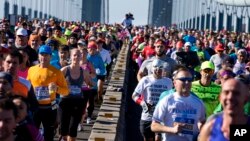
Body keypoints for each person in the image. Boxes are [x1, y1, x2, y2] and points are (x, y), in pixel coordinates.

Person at [27, 45, 69, 141]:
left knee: (49, 135)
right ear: (38, 56)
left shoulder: (56, 72)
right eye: (42, 54)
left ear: (51, 56)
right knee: (32, 135)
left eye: (46, 55)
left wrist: (57, 88)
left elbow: (66, 91)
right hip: (35, 108)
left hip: (50, 107)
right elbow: (27, 87)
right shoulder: (31, 70)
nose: (44, 57)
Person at [151, 67, 206, 141]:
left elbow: (202, 122)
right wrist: (172, 130)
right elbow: (154, 126)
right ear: (175, 83)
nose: (187, 82)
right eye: (183, 80)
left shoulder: (198, 102)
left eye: (189, 80)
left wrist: (202, 132)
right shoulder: (166, 100)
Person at [132, 59, 173, 141]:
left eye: (160, 67)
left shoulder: (168, 82)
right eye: (155, 67)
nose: (158, 69)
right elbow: (134, 95)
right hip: (147, 116)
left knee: (158, 138)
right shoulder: (145, 80)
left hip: (161, 117)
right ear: (151, 69)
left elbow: (172, 97)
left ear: (163, 69)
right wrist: (142, 103)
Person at [60, 48, 93, 141]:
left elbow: (90, 84)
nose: (77, 57)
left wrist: (90, 83)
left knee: (73, 128)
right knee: (64, 128)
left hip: (78, 101)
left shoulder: (84, 72)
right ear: (70, 57)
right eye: (74, 55)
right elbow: (55, 84)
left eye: (79, 55)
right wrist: (64, 85)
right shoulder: (64, 70)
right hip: (65, 101)